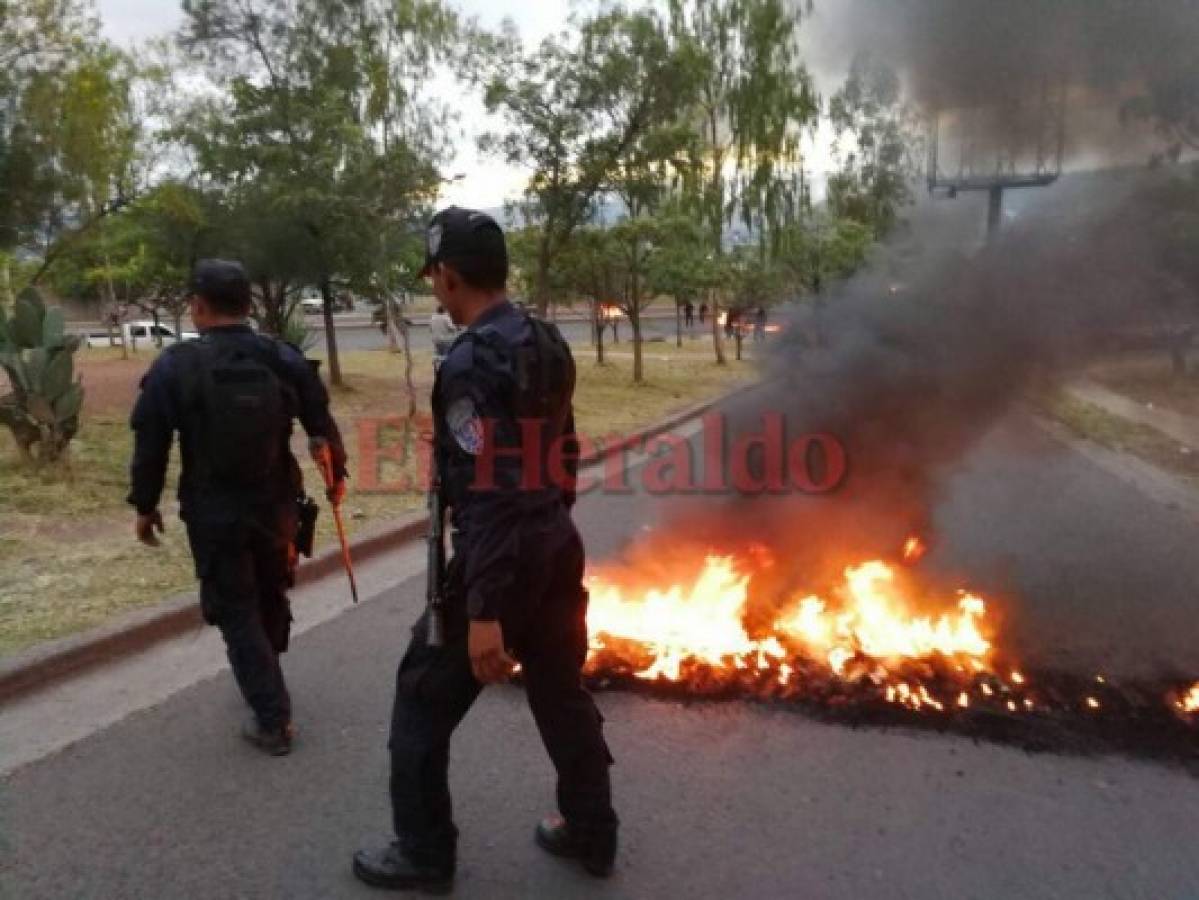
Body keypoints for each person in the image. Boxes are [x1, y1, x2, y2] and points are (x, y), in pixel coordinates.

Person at [353, 207, 619, 891]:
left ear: (447, 277)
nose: (434, 288)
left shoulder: (472, 362)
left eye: (433, 278)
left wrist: (483, 610)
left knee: (419, 699)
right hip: (555, 545)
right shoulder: (547, 341)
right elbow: (561, 452)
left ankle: (423, 853)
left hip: (500, 560)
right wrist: (549, 531)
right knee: (561, 697)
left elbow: (493, 491)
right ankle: (591, 831)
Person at [128, 259, 348, 757]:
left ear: (198, 307)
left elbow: (151, 442)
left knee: (235, 606)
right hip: (277, 508)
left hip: (215, 512)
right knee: (269, 591)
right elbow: (321, 424)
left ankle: (272, 718)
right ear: (249, 305)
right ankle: (264, 674)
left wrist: (145, 505)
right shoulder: (283, 357)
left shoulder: (175, 365)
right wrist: (338, 478)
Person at [428, 304, 459, 369]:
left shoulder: (433, 317)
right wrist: (457, 328)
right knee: (446, 354)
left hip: (435, 340)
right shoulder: (445, 317)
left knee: (438, 354)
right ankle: (446, 368)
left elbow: (430, 329)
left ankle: (437, 367)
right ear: (444, 310)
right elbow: (452, 328)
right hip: (445, 340)